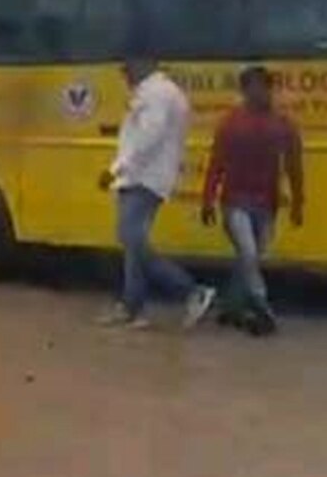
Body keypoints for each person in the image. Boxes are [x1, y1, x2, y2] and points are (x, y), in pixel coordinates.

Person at [99, 55, 216, 330]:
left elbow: (147, 138)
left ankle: (190, 290)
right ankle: (131, 308)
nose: (123, 75)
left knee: (131, 239)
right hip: (146, 177)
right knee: (133, 243)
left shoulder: (157, 94)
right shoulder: (162, 92)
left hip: (143, 178)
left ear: (143, 65)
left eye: (126, 69)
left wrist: (116, 168)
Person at [201, 66, 304, 336]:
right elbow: (216, 164)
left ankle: (231, 308)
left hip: (267, 204)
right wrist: (208, 200)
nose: (259, 93)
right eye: (253, 87)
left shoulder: (283, 125)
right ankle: (261, 305)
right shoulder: (230, 123)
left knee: (251, 259)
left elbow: (294, 167)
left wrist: (297, 204)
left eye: (264, 87)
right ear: (244, 91)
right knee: (248, 253)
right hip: (235, 202)